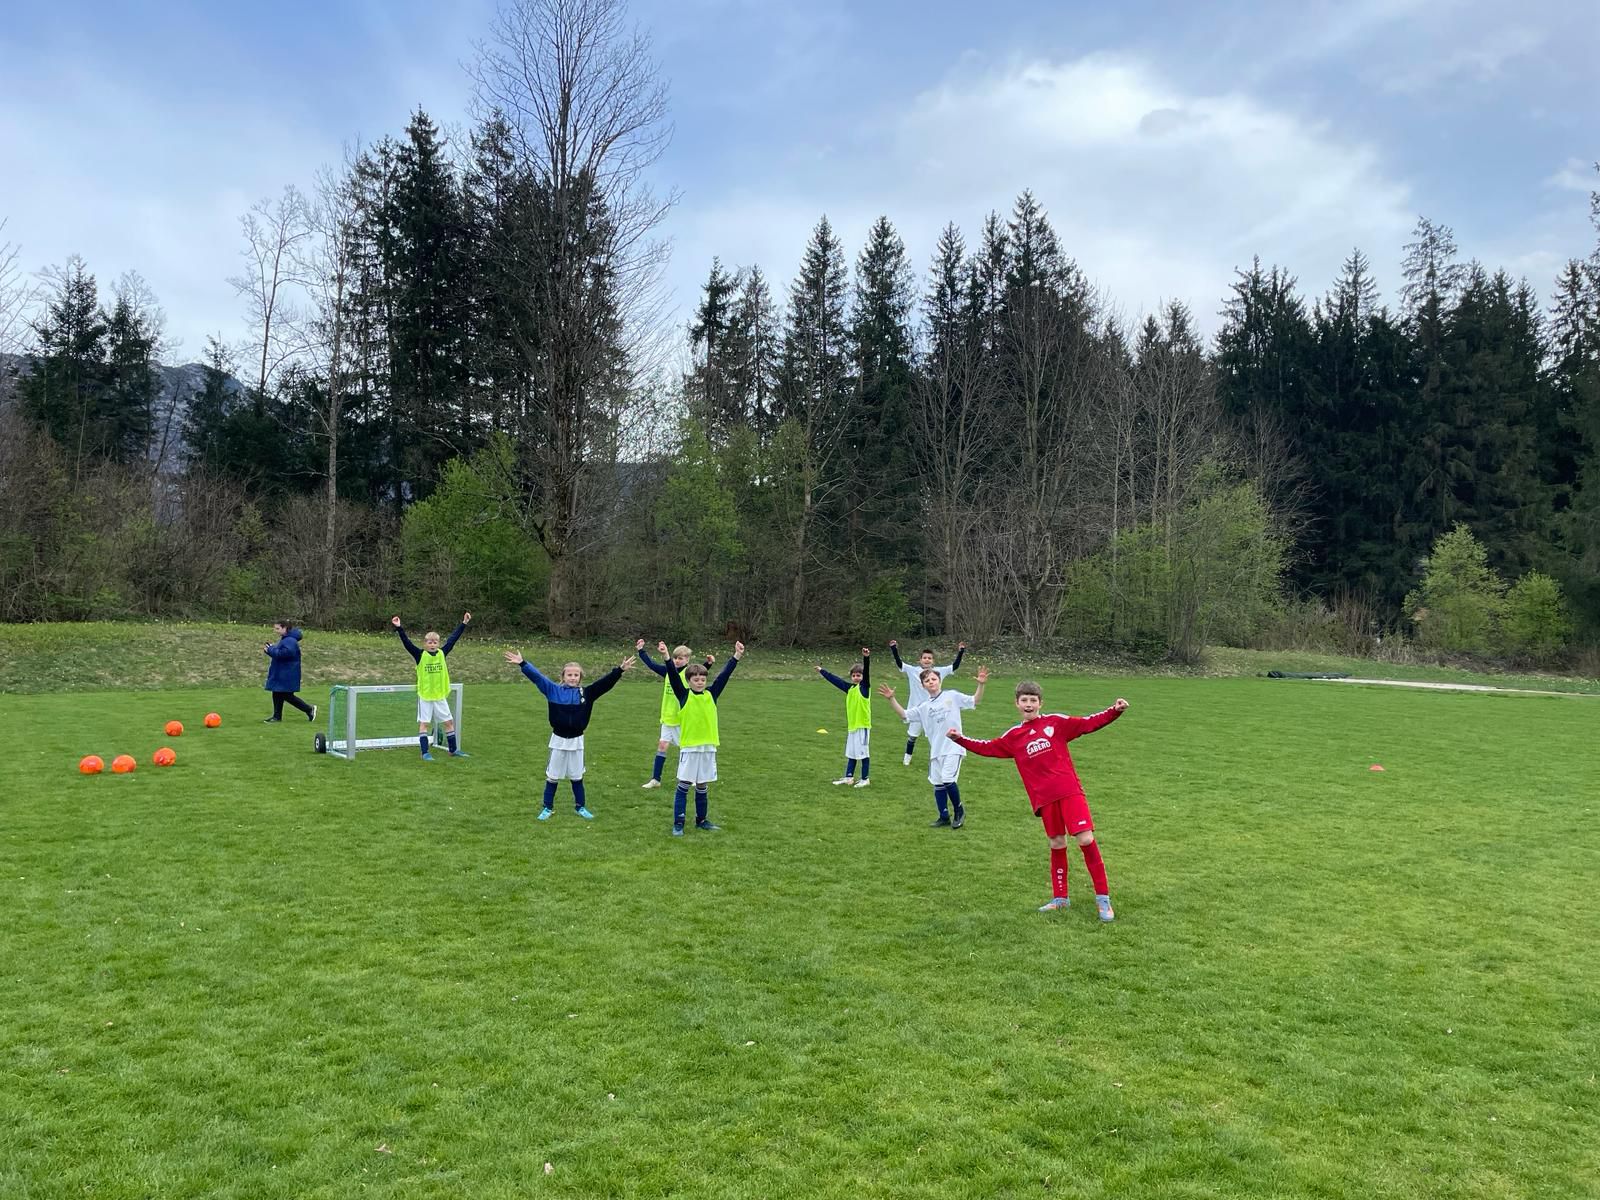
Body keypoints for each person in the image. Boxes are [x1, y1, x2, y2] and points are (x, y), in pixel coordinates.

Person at [950, 682, 1128, 920]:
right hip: (1044, 798)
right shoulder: (1013, 737)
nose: (1029, 704)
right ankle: (1060, 899)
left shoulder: (1056, 723)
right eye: (1024, 700)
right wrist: (960, 739)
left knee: (1085, 839)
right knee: (1057, 843)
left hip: (1069, 791)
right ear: (1017, 704)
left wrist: (1114, 711)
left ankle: (1103, 899)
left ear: (1040, 703)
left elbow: (1088, 723)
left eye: (1033, 700)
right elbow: (987, 747)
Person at [505, 650, 636, 821]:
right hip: (558, 740)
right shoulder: (553, 690)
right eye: (569, 675)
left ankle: (580, 807)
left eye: (576, 675)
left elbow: (604, 684)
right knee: (553, 776)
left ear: (580, 677)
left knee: (577, 776)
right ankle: (547, 807)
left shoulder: (587, 694)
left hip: (577, 741)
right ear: (563, 676)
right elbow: (538, 677)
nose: (573, 678)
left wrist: (620, 670)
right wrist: (523, 664)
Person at [879, 664, 989, 828]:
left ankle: (959, 811)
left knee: (947, 779)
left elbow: (975, 700)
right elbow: (904, 715)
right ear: (923, 686)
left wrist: (981, 684)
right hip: (936, 750)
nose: (931, 682)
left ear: (939, 681)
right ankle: (943, 817)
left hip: (953, 747)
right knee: (938, 784)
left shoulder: (952, 696)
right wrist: (891, 699)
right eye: (927, 680)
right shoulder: (924, 707)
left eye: (934, 679)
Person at [662, 638, 744, 836]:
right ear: (689, 681)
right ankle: (678, 823)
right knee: (683, 785)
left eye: (702, 680)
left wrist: (736, 656)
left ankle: (702, 820)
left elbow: (724, 676)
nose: (700, 683)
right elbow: (672, 675)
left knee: (702, 785)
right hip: (690, 748)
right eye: (696, 680)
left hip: (708, 747)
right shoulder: (684, 695)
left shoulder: (711, 694)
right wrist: (666, 657)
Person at [635, 639, 714, 789]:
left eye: (681, 658)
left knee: (687, 749)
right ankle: (656, 779)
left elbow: (699, 673)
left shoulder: (688, 674)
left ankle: (693, 777)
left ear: (687, 659)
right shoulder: (668, 671)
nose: (677, 661)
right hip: (667, 718)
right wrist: (641, 651)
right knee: (662, 745)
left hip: (682, 719)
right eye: (675, 658)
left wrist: (708, 663)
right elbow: (651, 664)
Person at [391, 612, 470, 760]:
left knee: (449, 722)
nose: (432, 645)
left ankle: (453, 750)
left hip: (440, 695)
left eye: (435, 642)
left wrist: (464, 623)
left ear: (438, 644)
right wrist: (399, 628)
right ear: (425, 643)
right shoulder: (420, 655)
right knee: (424, 724)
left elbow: (453, 639)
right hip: (425, 696)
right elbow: (407, 643)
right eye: (430, 642)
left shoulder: (442, 653)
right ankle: (425, 752)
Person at [889, 639, 966, 765]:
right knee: (912, 736)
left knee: (937, 735)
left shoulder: (938, 672)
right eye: (924, 658)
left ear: (933, 661)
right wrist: (894, 649)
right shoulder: (913, 670)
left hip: (934, 710)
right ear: (920, 660)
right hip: (916, 710)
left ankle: (941, 756)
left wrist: (961, 651)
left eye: (929, 658)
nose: (927, 660)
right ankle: (907, 758)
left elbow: (954, 666)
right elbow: (899, 663)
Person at [816, 647, 873, 787]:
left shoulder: (864, 688)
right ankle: (849, 777)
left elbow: (867, 674)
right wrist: (822, 671)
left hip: (862, 726)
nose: (856, 677)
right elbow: (836, 680)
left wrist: (866, 658)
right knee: (851, 754)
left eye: (859, 675)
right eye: (854, 675)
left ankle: (865, 779)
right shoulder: (850, 689)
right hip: (852, 727)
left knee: (863, 754)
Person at [262, 621, 316, 723]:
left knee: (286, 695)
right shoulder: (287, 639)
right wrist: (269, 651)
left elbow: (286, 653)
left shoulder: (290, 640)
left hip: (287, 673)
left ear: (285, 628)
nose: (275, 631)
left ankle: (309, 709)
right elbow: (281, 654)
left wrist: (271, 649)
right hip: (283, 671)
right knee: (277, 692)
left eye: (277, 629)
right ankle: (277, 717)